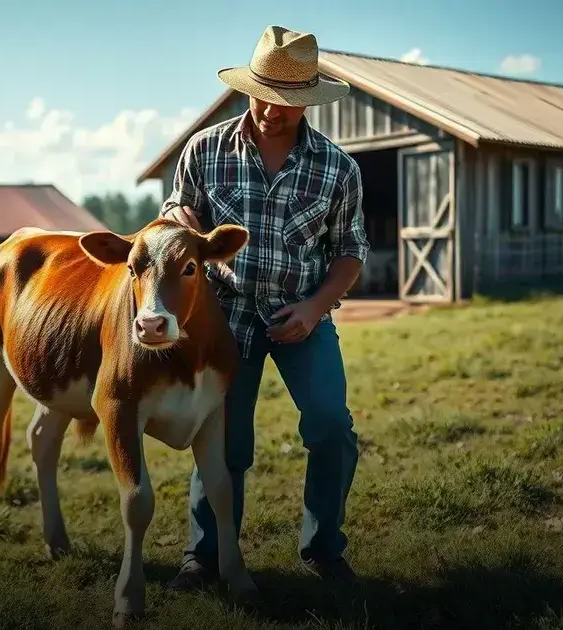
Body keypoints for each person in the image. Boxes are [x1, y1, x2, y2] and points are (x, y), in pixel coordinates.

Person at [159, 25, 370, 590]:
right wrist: (184, 224)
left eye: (287, 102)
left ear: (308, 100)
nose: (272, 111)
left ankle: (324, 550)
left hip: (301, 313)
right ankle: (205, 555)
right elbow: (177, 210)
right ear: (248, 87)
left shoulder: (337, 168)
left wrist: (315, 309)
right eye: (263, 96)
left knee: (330, 425)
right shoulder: (203, 150)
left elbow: (350, 252)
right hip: (223, 315)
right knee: (223, 439)